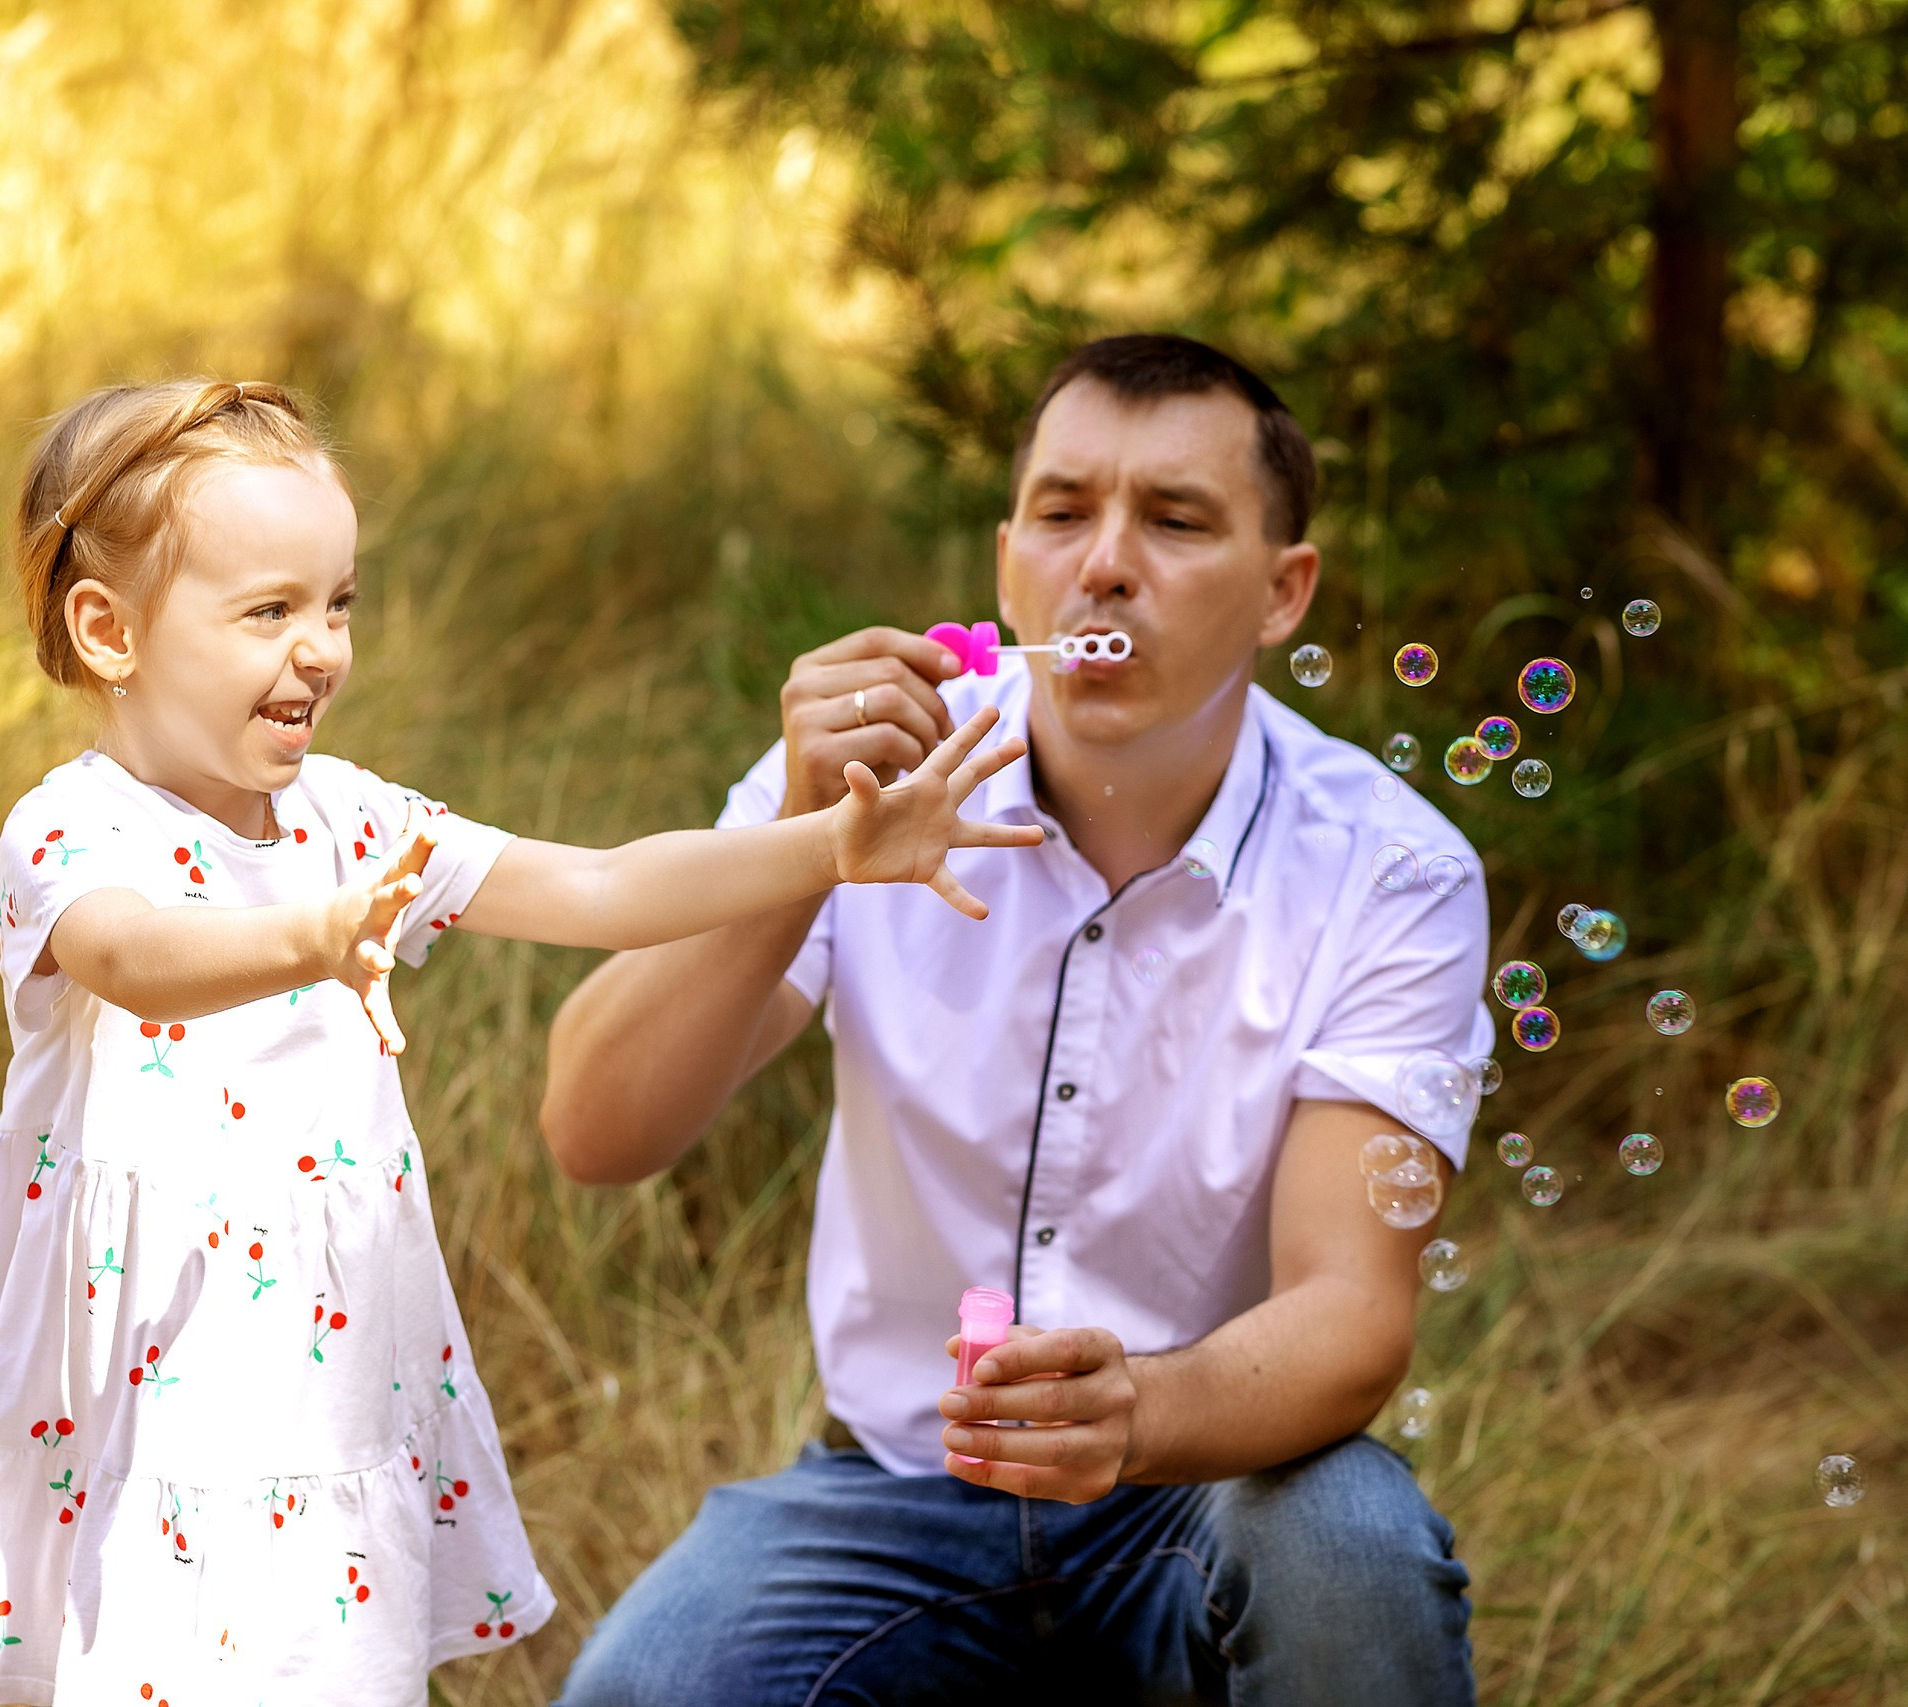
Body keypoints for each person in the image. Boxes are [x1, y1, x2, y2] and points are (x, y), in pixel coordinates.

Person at [0, 378, 1037, 1707]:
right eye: (268, 611)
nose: (323, 648)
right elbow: (133, 957)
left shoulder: (355, 817)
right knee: (134, 1657)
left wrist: (829, 846)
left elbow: (600, 887)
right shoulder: (72, 830)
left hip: (318, 1363)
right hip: (138, 1365)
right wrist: (314, 938)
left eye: (338, 601)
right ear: (110, 632)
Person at [544, 334, 1489, 1705]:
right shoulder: (872, 782)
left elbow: (1352, 1310)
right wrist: (803, 849)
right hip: (893, 1496)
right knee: (643, 1693)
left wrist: (1143, 1414)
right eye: (1063, 513)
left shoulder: (1390, 869)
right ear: (1006, 566)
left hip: (1208, 1495)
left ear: (1285, 593)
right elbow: (594, 1127)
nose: (1104, 563)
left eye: (1174, 521)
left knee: (1348, 1544)